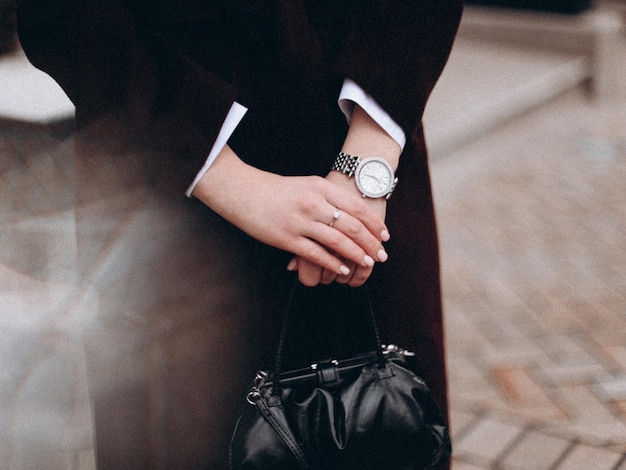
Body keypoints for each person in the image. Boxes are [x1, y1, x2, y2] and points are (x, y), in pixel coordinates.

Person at [17, 1, 463, 468]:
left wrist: (367, 160)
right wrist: (225, 176)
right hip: (163, 163)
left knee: (384, 435)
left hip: (364, 138)